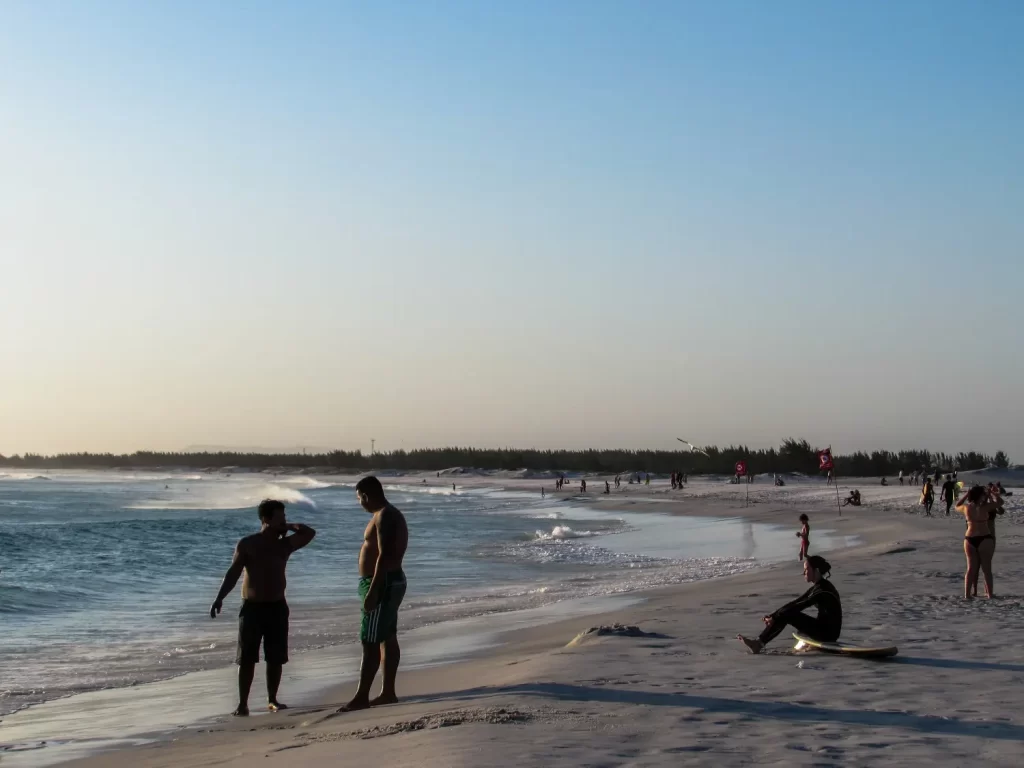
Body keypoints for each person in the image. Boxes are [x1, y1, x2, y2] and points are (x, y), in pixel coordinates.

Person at [210, 499, 316, 716]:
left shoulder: (284, 545)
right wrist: (220, 597)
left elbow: (309, 532)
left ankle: (272, 699)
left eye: (285, 518)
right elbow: (233, 573)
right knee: (247, 658)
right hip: (252, 608)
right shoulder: (248, 544)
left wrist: (287, 526)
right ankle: (242, 704)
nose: (284, 521)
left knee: (275, 657)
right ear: (265, 519)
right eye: (280, 517)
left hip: (277, 606)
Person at [340, 476, 409, 711]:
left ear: (367, 495)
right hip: (388, 581)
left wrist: (373, 590)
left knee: (369, 640)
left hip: (383, 582)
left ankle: (361, 697)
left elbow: (384, 555)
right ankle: (388, 692)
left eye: (359, 498)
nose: (360, 503)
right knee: (386, 636)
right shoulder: (385, 514)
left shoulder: (385, 516)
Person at [737, 555, 841, 654]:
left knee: (789, 614)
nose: (803, 572)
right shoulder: (818, 587)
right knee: (787, 612)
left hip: (828, 634)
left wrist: (776, 617)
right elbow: (796, 602)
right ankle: (759, 642)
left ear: (816, 571)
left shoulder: (823, 591)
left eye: (807, 569)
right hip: (823, 628)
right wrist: (773, 615)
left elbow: (800, 606)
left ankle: (758, 644)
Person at [956, 485, 1001, 600]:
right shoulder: (985, 507)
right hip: (985, 537)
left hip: (970, 539)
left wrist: (967, 494)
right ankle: (989, 594)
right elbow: (1000, 502)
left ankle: (967, 595)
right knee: (987, 569)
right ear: (980, 495)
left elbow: (957, 505)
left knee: (970, 569)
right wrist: (992, 493)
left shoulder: (966, 508)